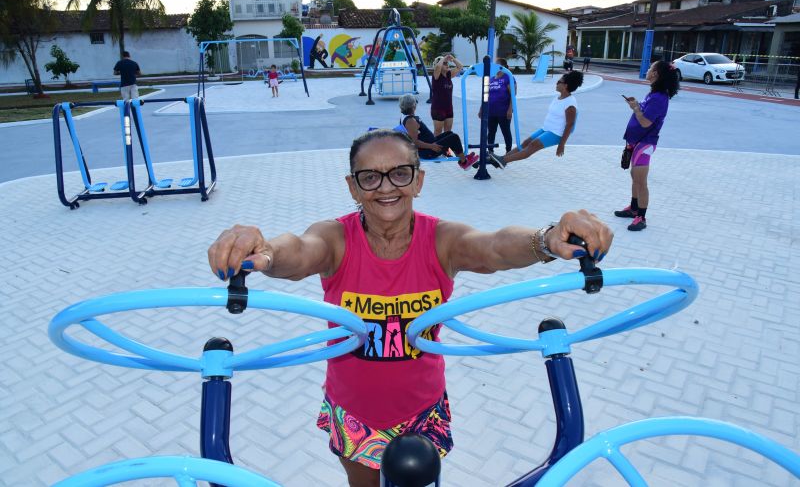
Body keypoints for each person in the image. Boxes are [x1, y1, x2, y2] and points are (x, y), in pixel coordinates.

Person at [206, 130, 613, 487]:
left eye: (400, 173)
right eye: (370, 177)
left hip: (422, 411)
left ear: (418, 180)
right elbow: (298, 251)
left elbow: (493, 246)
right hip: (354, 411)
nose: (386, 187)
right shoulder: (335, 239)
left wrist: (546, 240)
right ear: (352, 187)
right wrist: (265, 249)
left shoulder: (442, 239)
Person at [614, 60, 680, 231]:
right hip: (638, 141)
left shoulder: (659, 98)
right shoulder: (654, 94)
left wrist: (635, 108)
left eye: (651, 68)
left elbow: (645, 122)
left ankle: (641, 217)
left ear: (656, 74)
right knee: (635, 176)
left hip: (645, 143)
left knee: (641, 181)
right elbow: (643, 113)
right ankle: (634, 208)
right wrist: (636, 105)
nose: (648, 70)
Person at [490, 71, 584, 169]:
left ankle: (503, 161)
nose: (556, 83)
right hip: (546, 128)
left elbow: (570, 124)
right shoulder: (558, 98)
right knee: (526, 142)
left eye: (559, 82)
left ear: (565, 85)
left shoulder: (570, 103)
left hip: (556, 133)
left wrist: (561, 144)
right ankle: (502, 159)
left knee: (533, 145)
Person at [399, 94, 478, 170]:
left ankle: (462, 158)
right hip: (428, 151)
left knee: (449, 134)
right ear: (413, 106)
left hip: (429, 145)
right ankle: (464, 163)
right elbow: (414, 142)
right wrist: (431, 146)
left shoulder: (406, 117)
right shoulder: (410, 121)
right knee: (454, 137)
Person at [478, 57, 514, 156]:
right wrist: (481, 108)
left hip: (504, 111)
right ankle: (490, 151)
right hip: (490, 111)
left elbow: (513, 95)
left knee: (506, 131)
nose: (494, 66)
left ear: (502, 66)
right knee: (491, 132)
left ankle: (508, 151)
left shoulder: (508, 77)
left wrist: (510, 109)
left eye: (497, 64)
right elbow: (486, 95)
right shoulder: (491, 78)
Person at [430, 54, 463, 136]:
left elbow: (460, 67)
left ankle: (446, 148)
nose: (447, 65)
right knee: (438, 132)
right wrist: (444, 58)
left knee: (448, 132)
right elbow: (437, 67)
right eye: (444, 63)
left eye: (447, 63)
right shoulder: (436, 76)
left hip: (448, 108)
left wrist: (453, 59)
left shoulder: (449, 75)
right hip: (438, 108)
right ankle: (436, 148)